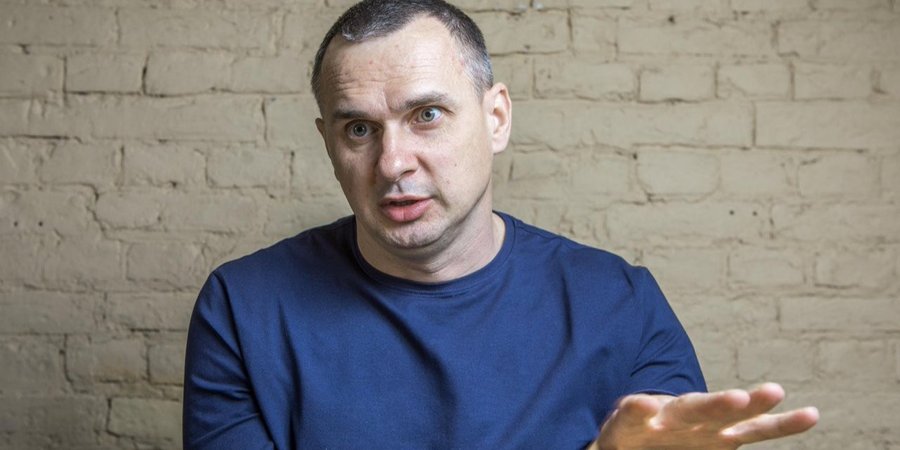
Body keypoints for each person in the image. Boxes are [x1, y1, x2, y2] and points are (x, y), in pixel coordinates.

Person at [182, 0, 819, 448]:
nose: (393, 162)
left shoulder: (619, 304)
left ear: (496, 119)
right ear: (328, 142)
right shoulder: (243, 307)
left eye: (427, 115)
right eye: (359, 129)